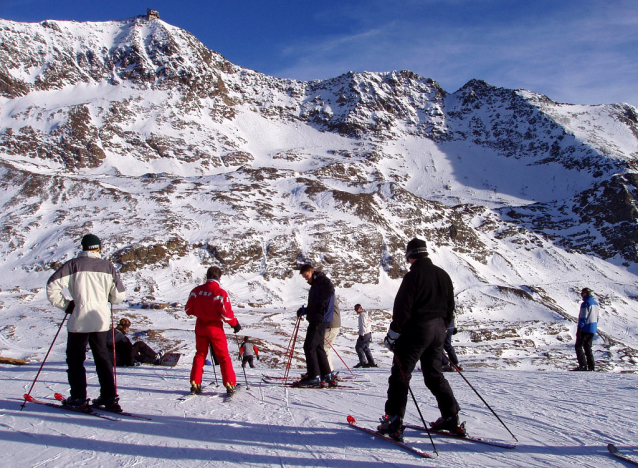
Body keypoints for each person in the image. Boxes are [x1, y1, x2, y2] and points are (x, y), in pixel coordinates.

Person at [377, 238, 462, 442]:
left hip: (417, 331)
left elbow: (402, 309)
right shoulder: (443, 275)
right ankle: (451, 416)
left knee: (401, 374)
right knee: (433, 373)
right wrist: (443, 327)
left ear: (411, 255)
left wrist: (393, 335)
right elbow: (451, 306)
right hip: (439, 330)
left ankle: (394, 419)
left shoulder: (413, 276)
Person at [46, 234, 126, 411]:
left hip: (79, 319)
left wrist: (67, 306)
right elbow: (119, 296)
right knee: (102, 358)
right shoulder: (108, 267)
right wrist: (108, 298)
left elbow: (52, 286)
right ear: (99, 248)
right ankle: (109, 396)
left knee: (75, 359)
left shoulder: (73, 265)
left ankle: (78, 397)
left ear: (83, 247)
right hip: (100, 320)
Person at [186, 266, 242, 395]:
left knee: (200, 354)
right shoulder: (220, 293)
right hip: (215, 328)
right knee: (223, 356)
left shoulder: (196, 291)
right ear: (219, 277)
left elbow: (188, 310)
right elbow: (227, 315)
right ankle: (229, 384)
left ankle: (195, 382)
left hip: (200, 326)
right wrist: (235, 324)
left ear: (207, 276)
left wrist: (201, 312)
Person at [296, 264, 336, 387]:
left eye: (306, 275)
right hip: (319, 318)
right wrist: (307, 310)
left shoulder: (322, 281)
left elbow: (329, 291)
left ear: (311, 271)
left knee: (309, 346)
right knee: (318, 347)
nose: (306, 278)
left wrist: (319, 308)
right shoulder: (317, 283)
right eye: (304, 277)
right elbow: (316, 303)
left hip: (319, 319)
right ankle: (326, 374)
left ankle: (314, 376)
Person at [574, 287, 599, 371]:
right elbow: (597, 317)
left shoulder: (585, 303)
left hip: (585, 328)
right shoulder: (595, 303)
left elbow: (583, 317)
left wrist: (580, 328)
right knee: (588, 348)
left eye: (582, 293)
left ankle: (583, 366)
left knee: (578, 346)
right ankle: (591, 367)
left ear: (585, 294)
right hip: (593, 328)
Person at [353, 304, 377, 368]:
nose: (356, 310)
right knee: (366, 348)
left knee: (358, 347)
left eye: (357, 309)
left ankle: (363, 362)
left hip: (365, 333)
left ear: (360, 308)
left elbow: (363, 325)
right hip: (368, 333)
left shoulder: (362, 315)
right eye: (355, 309)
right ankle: (371, 362)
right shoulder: (366, 314)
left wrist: (361, 334)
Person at [323, 296, 341, 375]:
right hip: (330, 324)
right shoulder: (326, 289)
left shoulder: (326, 290)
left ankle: (329, 372)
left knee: (323, 347)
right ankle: (325, 371)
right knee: (320, 347)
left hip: (330, 324)